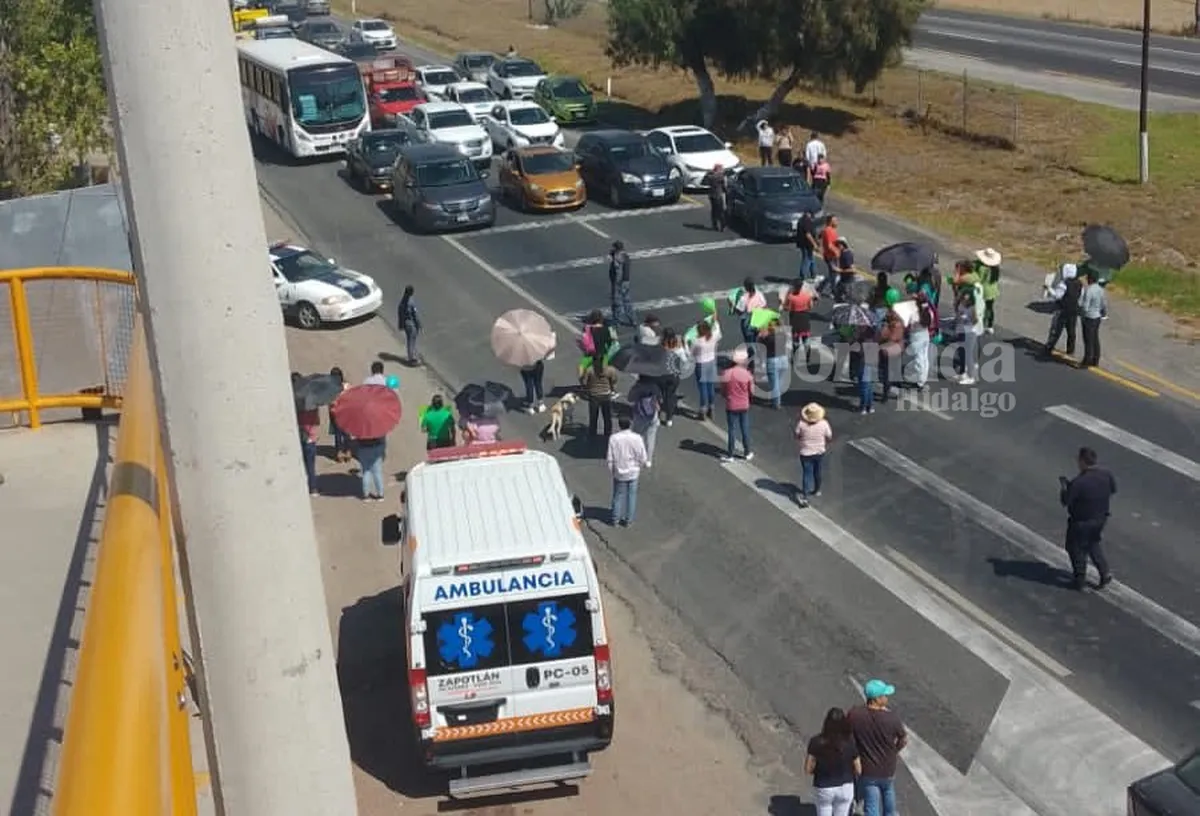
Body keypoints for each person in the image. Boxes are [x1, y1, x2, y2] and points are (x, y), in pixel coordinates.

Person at [848, 679, 907, 816]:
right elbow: (903, 739)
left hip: (868, 769)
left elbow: (848, 736)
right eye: (884, 696)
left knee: (871, 804)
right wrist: (894, 750)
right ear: (876, 699)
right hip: (888, 768)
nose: (886, 698)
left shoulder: (855, 714)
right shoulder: (892, 718)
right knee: (888, 792)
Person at [1060, 446, 1116, 590]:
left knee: (1075, 548)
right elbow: (1113, 489)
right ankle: (1105, 572)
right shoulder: (1107, 474)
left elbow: (1066, 501)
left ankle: (1080, 581)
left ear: (1083, 461)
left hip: (1081, 522)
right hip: (1100, 519)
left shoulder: (1079, 482)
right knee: (1092, 543)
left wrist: (1065, 487)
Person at [805, 707, 860, 816]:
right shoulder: (850, 742)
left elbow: (807, 769)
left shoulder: (816, 741)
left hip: (824, 786)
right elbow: (858, 769)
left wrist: (817, 771)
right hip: (846, 787)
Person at [606, 417, 648, 527]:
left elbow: (610, 457)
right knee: (632, 496)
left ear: (619, 425)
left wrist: (612, 470)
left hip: (619, 472)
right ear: (630, 423)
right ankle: (628, 520)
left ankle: (615, 519)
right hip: (633, 471)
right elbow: (642, 455)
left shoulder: (614, 438)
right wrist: (643, 464)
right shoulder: (637, 438)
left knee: (618, 496)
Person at [794, 402, 832, 507]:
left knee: (807, 474)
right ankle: (817, 490)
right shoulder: (824, 423)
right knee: (818, 471)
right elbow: (829, 436)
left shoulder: (801, 424)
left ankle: (805, 496)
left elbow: (796, 435)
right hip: (819, 451)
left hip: (805, 453)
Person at [719, 348, 753, 462]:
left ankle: (730, 454)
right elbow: (751, 391)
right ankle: (747, 452)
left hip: (731, 405)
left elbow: (723, 391)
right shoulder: (747, 374)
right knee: (745, 428)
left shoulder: (726, 373)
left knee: (732, 430)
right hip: (744, 404)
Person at [1044, 262, 1082, 357]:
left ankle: (1050, 346)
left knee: (1056, 329)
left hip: (1062, 309)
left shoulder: (1063, 284)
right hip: (1073, 310)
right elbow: (1081, 297)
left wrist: (1049, 289)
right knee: (1071, 331)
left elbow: (1058, 296)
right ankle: (1070, 350)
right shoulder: (1079, 283)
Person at [293, 372, 320, 496]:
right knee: (311, 465)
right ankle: (313, 488)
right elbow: (317, 419)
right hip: (311, 437)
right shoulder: (312, 400)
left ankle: (302, 486)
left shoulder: (294, 400)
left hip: (299, 436)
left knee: (301, 464)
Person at [580, 352, 618, 439]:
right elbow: (614, 381)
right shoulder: (610, 370)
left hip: (594, 396)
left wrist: (587, 386)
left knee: (593, 417)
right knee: (607, 417)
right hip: (606, 395)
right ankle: (607, 434)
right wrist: (612, 389)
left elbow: (584, 382)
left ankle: (592, 434)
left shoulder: (590, 370)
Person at [689, 318, 720, 420]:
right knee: (710, 386)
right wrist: (715, 320)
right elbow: (717, 328)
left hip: (701, 364)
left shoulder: (697, 341)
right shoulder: (713, 337)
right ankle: (711, 407)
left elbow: (691, 354)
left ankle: (703, 409)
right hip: (711, 362)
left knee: (703, 388)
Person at [877, 294, 905, 402]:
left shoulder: (891, 326)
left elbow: (888, 337)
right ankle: (898, 391)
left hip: (889, 351)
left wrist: (883, 331)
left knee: (886, 373)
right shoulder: (900, 323)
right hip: (898, 349)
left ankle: (885, 394)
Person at [630, 377, 662, 467]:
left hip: (639, 414)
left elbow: (630, 398)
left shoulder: (638, 386)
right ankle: (648, 460)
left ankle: (636, 456)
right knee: (650, 438)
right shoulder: (655, 386)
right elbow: (660, 399)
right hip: (652, 415)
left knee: (637, 436)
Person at [1079, 267, 1106, 368]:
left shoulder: (1089, 290)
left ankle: (1087, 360)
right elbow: (1103, 303)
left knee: (1088, 339)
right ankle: (1095, 359)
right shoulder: (1100, 289)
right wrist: (1103, 313)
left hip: (1089, 317)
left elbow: (1085, 306)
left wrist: (1082, 314)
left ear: (1090, 279)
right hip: (1097, 317)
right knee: (1095, 338)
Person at [782, 278, 815, 362]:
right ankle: (808, 356)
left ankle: (794, 358)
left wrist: (786, 297)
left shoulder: (791, 297)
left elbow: (786, 308)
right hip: (805, 318)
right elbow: (810, 306)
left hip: (795, 319)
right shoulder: (807, 295)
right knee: (806, 338)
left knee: (795, 340)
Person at [905, 294, 934, 391]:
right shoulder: (928, 312)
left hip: (916, 337)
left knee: (919, 359)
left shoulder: (914, 313)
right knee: (924, 358)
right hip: (925, 335)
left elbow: (908, 324)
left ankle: (920, 382)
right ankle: (922, 380)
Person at [661, 328, 688, 426]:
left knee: (663, 394)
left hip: (662, 374)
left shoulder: (662, 347)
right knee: (670, 396)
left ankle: (660, 412)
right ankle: (669, 418)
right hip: (674, 375)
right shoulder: (679, 348)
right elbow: (685, 361)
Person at [956, 288, 983, 385]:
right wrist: (960, 317)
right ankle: (965, 374)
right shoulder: (961, 305)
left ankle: (971, 377)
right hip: (963, 330)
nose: (965, 298)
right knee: (963, 352)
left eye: (967, 296)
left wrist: (967, 318)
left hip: (971, 331)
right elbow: (958, 316)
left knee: (969, 355)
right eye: (964, 295)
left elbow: (975, 321)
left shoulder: (972, 307)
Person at [761, 317, 789, 409]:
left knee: (774, 384)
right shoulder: (783, 335)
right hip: (783, 359)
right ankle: (777, 398)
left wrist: (761, 334)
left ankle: (776, 403)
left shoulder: (767, 338)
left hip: (772, 360)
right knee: (779, 381)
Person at [973, 247, 1001, 335]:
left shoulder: (982, 268)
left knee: (980, 308)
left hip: (984, 290)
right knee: (990, 308)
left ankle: (980, 325)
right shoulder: (996, 268)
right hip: (993, 290)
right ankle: (989, 326)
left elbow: (979, 279)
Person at [328, 366, 352, 462]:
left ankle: (339, 452)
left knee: (338, 434)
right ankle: (348, 451)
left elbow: (329, 401)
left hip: (335, 413)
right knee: (347, 433)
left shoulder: (330, 388)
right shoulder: (347, 386)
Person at [608, 240, 635, 326]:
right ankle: (632, 319)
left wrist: (616, 282)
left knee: (617, 302)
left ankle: (617, 320)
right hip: (626, 281)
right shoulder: (626, 256)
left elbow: (617, 270)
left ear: (616, 248)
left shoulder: (618, 257)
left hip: (618, 282)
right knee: (627, 301)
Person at [355, 433, 387, 501]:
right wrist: (383, 451)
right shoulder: (378, 426)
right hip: (376, 447)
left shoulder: (361, 426)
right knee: (377, 472)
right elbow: (383, 439)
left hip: (363, 448)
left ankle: (366, 495)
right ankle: (380, 494)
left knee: (366, 471)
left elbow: (357, 439)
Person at [397, 285, 421, 365]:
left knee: (409, 340)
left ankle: (411, 356)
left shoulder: (402, 301)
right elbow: (415, 315)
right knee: (412, 341)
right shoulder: (410, 302)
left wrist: (400, 325)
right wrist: (419, 324)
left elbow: (400, 312)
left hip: (405, 323)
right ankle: (412, 359)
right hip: (411, 324)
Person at [819, 215, 840, 295]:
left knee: (833, 274)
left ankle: (821, 288)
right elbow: (829, 245)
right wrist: (836, 252)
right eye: (835, 220)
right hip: (831, 257)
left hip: (831, 256)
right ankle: (833, 291)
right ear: (831, 222)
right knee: (833, 274)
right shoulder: (828, 231)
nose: (837, 222)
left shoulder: (830, 230)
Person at [704, 164, 728, 231]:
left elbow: (705, 182)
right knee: (721, 211)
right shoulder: (720, 177)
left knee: (714, 211)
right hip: (718, 195)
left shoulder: (710, 176)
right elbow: (725, 187)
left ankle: (714, 225)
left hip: (711, 195)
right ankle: (723, 225)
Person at [796, 210, 818, 280]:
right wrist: (814, 244)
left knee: (811, 259)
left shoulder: (801, 221)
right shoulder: (806, 222)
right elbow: (808, 234)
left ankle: (813, 274)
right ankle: (802, 276)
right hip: (807, 244)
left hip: (803, 244)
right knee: (807, 259)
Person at [834, 237, 856, 303]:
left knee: (845, 299)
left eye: (839, 245)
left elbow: (853, 269)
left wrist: (840, 270)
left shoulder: (847, 255)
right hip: (843, 280)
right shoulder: (843, 253)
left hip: (847, 281)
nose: (837, 246)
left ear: (843, 245)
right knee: (838, 296)